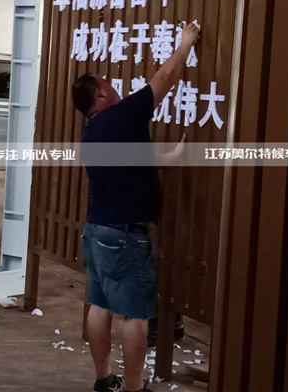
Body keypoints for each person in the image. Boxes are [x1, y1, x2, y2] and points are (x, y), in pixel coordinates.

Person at [72, 22, 200, 392]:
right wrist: (186, 43)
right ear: (100, 91)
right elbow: (165, 77)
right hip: (125, 236)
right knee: (137, 317)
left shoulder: (92, 132)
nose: (114, 86)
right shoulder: (124, 114)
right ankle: (133, 386)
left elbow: (129, 163)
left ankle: (104, 379)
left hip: (96, 232)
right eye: (108, 82)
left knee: (99, 306)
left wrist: (169, 158)